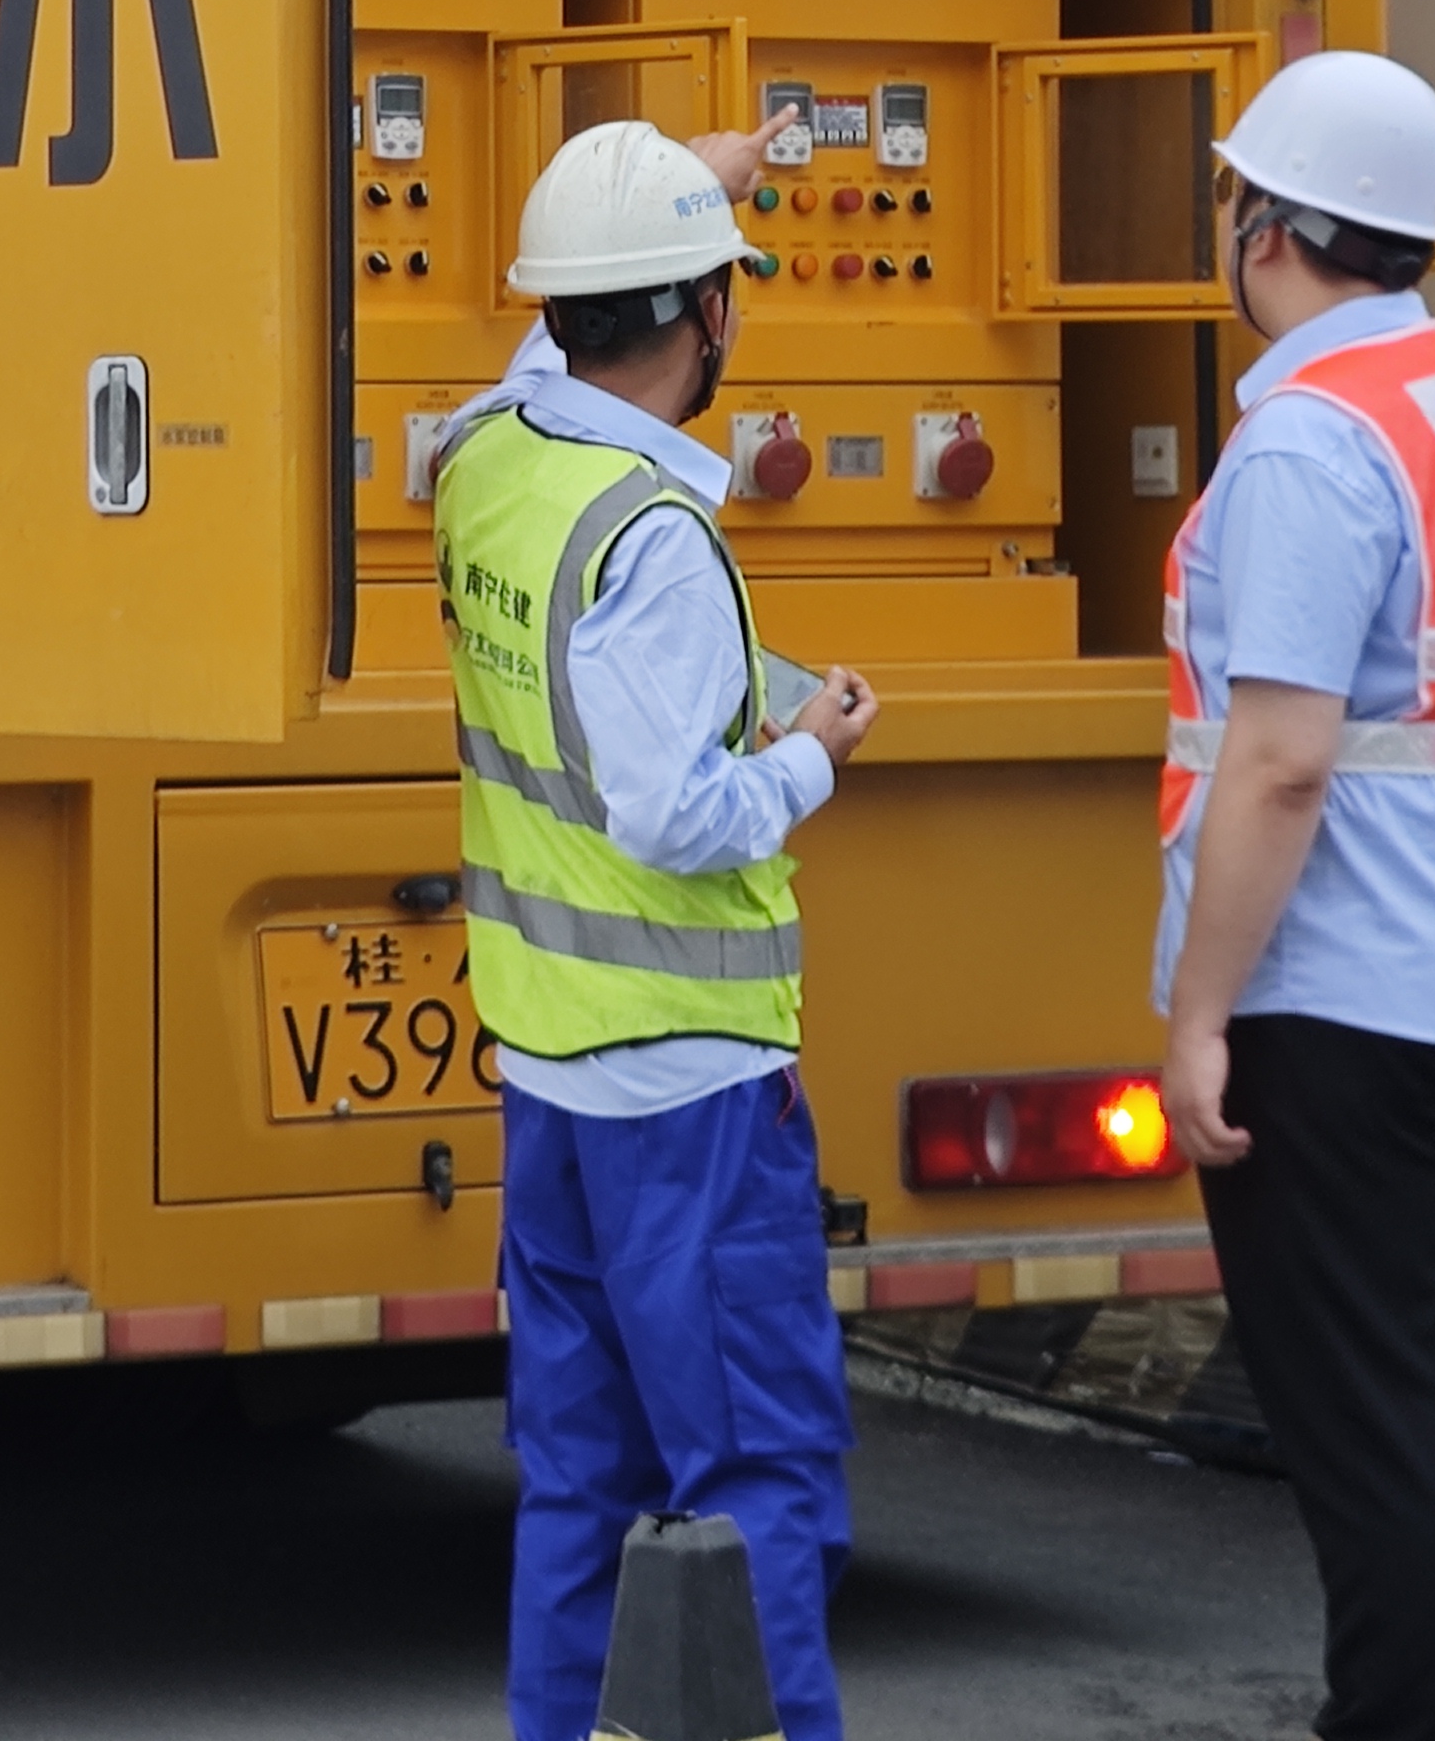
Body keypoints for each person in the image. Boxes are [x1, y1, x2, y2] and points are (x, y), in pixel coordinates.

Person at [1154, 50, 1435, 1741]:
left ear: (1267, 226)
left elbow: (1277, 760)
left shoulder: (1310, 449)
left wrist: (1200, 1012)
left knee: (1371, 1424)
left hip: (1341, 992)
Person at [443, 118, 880, 1741]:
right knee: (759, 1478)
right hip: (693, 1093)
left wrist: (697, 178)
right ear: (711, 315)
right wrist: (810, 759)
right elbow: (673, 814)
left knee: (576, 1482)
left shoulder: (496, 465)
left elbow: (536, 349)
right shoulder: (657, 539)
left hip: (552, 1075)